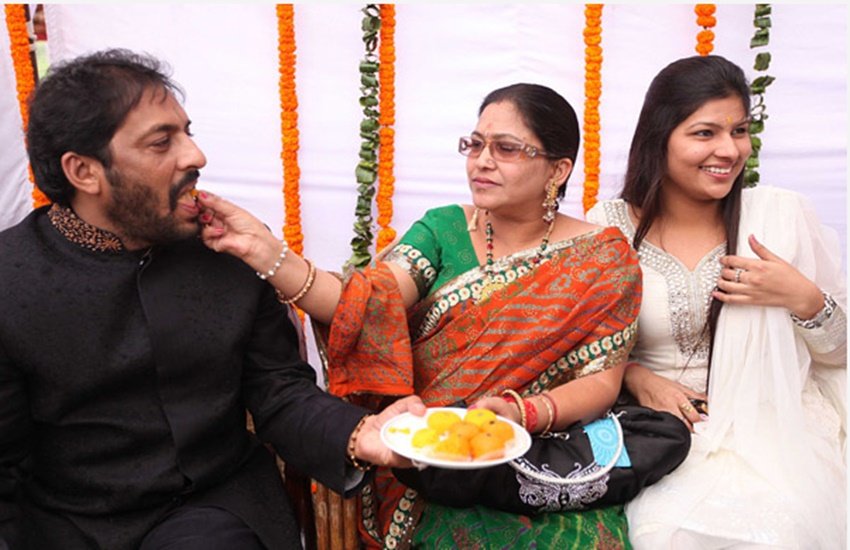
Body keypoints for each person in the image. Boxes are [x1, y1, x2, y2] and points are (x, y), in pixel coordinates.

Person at [0, 48, 426, 550]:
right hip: (68, 524)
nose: (195, 156)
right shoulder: (11, 279)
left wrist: (360, 434)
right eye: (162, 142)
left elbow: (280, 392)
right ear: (84, 172)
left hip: (212, 509)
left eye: (187, 132)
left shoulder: (226, 248)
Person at [198, 83, 643, 548]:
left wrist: (520, 413)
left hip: (544, 462)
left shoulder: (603, 258)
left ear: (558, 169)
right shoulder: (443, 229)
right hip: (431, 462)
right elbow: (362, 302)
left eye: (506, 148)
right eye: (475, 144)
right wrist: (266, 253)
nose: (482, 161)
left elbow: (601, 381)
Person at [586, 55, 846, 549]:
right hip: (662, 435)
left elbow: (840, 355)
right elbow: (580, 351)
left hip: (777, 430)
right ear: (659, 137)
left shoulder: (779, 215)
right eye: (705, 133)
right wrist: (636, 378)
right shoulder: (609, 226)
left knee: (782, 530)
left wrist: (805, 298)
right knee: (665, 535)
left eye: (739, 131)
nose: (729, 150)